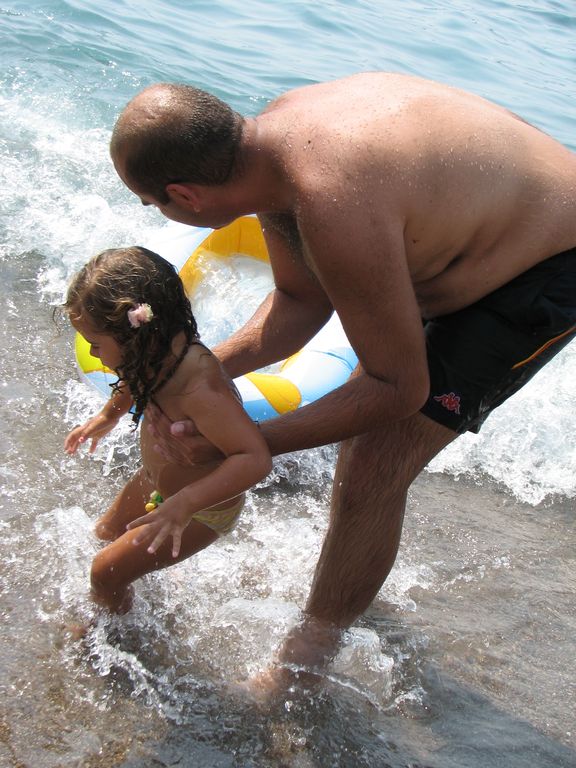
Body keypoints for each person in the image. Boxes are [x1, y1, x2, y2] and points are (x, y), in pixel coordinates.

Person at [109, 73, 576, 679]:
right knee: (369, 431)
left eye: (153, 204)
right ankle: (350, 587)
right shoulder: (271, 152)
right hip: (479, 223)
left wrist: (243, 446)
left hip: (551, 260)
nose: (157, 212)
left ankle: (307, 662)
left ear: (185, 195)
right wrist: (177, 376)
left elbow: (398, 389)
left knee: (374, 460)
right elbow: (298, 301)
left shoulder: (330, 200)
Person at [63, 246, 272, 613]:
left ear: (136, 334)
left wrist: (184, 504)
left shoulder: (199, 388)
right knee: (104, 534)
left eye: (96, 345)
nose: (94, 354)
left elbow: (255, 459)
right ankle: (128, 586)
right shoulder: (151, 352)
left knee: (104, 572)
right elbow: (134, 375)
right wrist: (108, 416)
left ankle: (119, 629)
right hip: (158, 483)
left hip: (200, 509)